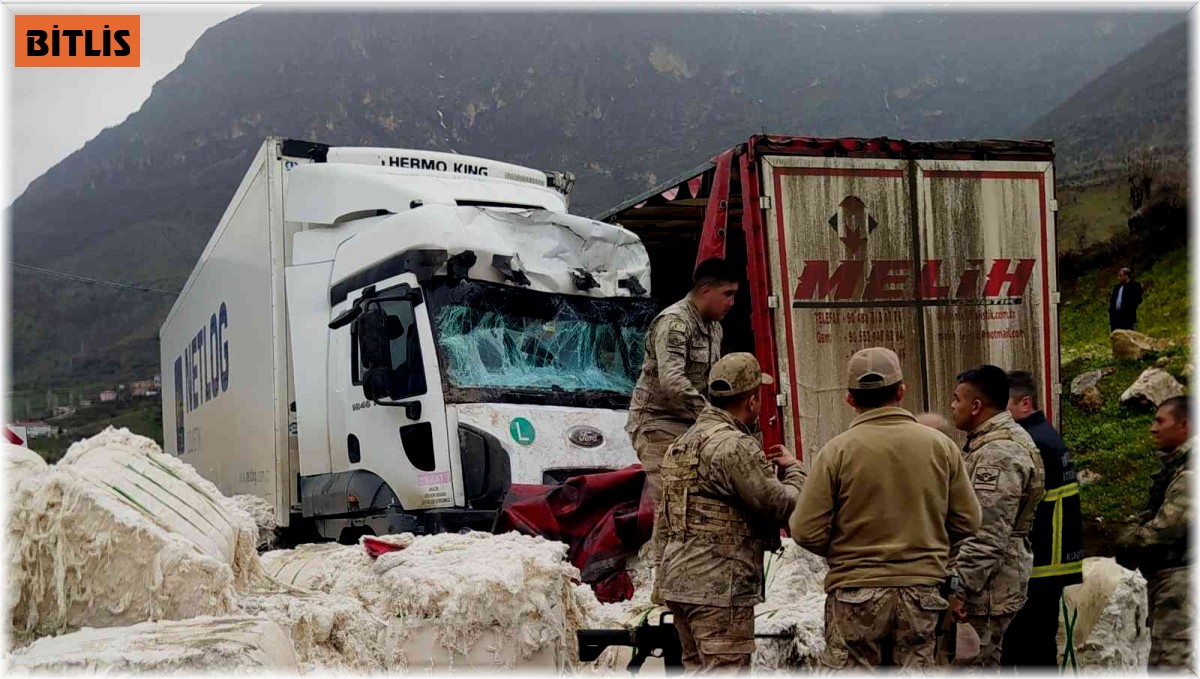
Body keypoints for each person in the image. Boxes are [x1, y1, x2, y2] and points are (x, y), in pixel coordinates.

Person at [790, 347, 981, 670]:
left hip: (854, 594)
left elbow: (804, 530)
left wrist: (844, 550)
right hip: (921, 594)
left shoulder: (836, 453)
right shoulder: (941, 448)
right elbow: (969, 520)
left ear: (850, 399)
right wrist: (929, 543)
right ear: (901, 391)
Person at [654, 352, 805, 673]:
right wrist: (794, 472)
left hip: (680, 584)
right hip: (720, 589)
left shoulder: (680, 444)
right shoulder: (734, 446)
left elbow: (664, 520)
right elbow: (779, 506)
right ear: (752, 401)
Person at [946, 365, 1045, 668]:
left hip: (986, 591)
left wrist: (959, 589)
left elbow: (987, 533)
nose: (952, 406)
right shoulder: (996, 441)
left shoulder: (998, 453)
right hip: (991, 583)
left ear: (976, 406)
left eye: (956, 398)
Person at [626, 257, 738, 503]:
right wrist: (712, 417)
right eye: (727, 294)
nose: (732, 302)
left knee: (700, 501)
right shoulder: (675, 323)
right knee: (672, 504)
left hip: (691, 424)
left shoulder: (714, 327)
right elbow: (673, 381)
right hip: (658, 421)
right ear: (705, 291)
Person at [1000, 371, 1084, 670]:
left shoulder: (1031, 441)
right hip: (1053, 562)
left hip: (1039, 562)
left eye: (1003, 404)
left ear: (1025, 403)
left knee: (1025, 650)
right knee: (1038, 647)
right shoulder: (1046, 435)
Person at [1115, 396, 1192, 670]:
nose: (1153, 428)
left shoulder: (1189, 473)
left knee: (1170, 661)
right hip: (1173, 578)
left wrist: (1129, 539)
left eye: (1161, 421)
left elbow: (1166, 528)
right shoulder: (1178, 468)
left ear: (1185, 425)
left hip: (1180, 577)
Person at [1108, 267, 1144, 331]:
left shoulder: (1135, 285)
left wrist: (1130, 308)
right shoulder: (1117, 287)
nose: (1119, 278)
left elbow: (1138, 298)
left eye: (1120, 275)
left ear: (1126, 275)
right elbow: (1112, 300)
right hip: (1116, 317)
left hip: (1127, 316)